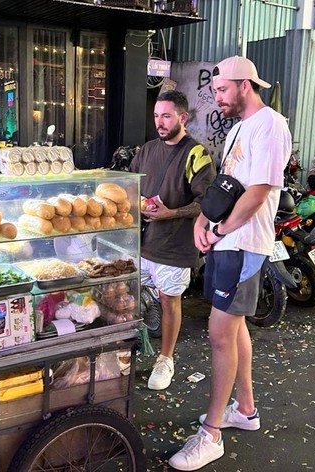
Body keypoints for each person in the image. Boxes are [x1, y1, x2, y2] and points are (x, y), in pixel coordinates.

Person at [169, 56, 291, 470]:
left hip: (244, 244)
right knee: (233, 329)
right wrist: (204, 219)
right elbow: (227, 186)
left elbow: (258, 192)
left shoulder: (271, 124)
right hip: (228, 241)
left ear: (244, 86)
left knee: (219, 334)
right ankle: (246, 409)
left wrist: (219, 232)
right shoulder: (240, 127)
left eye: (221, 89)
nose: (215, 97)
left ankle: (213, 433)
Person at [129, 90, 215, 391]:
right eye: (156, 116)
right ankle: (124, 352)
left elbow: (208, 203)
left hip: (175, 246)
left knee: (170, 301)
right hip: (141, 242)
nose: (160, 122)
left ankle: (165, 359)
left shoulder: (197, 154)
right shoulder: (147, 150)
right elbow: (130, 185)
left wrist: (171, 213)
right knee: (122, 292)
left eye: (166, 116)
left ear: (183, 117)